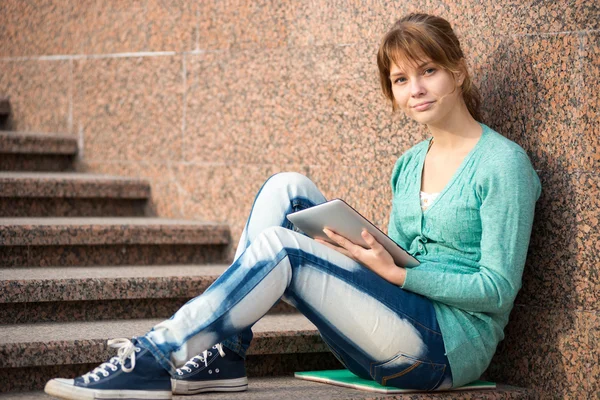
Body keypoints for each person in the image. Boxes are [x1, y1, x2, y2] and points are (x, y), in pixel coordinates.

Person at [44, 13, 541, 399]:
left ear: (457, 69)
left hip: (444, 352)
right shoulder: (410, 164)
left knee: (286, 249)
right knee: (287, 187)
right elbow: (402, 253)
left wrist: (398, 277)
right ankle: (226, 352)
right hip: (390, 325)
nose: (415, 89)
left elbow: (497, 290)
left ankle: (155, 354)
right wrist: (367, 260)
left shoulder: (503, 164)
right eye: (400, 79)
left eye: (428, 71)